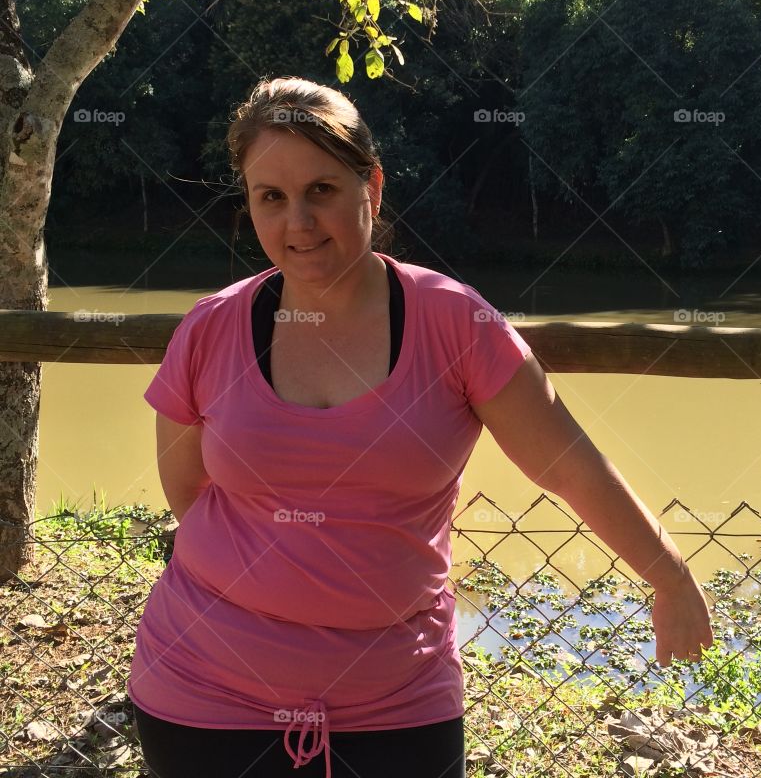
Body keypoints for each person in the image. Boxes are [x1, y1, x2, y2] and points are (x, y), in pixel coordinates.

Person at [127, 76, 713, 778]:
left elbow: (568, 464)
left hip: (397, 704)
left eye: (322, 190)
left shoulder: (453, 323)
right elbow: (189, 495)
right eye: (271, 197)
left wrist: (669, 577)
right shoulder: (212, 328)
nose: (299, 224)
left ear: (369, 187)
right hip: (204, 693)